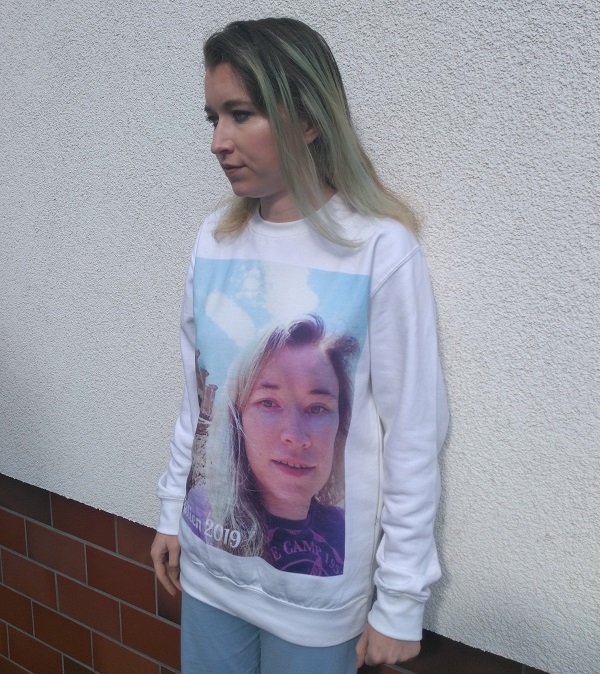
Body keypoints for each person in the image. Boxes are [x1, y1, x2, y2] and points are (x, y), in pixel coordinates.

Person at [151, 17, 448, 674]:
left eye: (241, 114)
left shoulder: (379, 251)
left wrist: (401, 600)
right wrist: (173, 510)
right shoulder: (215, 241)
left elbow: (412, 434)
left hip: (317, 602)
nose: (218, 141)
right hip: (210, 572)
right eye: (213, 118)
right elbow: (196, 403)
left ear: (308, 120)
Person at [183, 314, 357, 576]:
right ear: (237, 420)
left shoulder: (342, 528)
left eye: (317, 408)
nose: (295, 436)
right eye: (268, 403)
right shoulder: (205, 509)